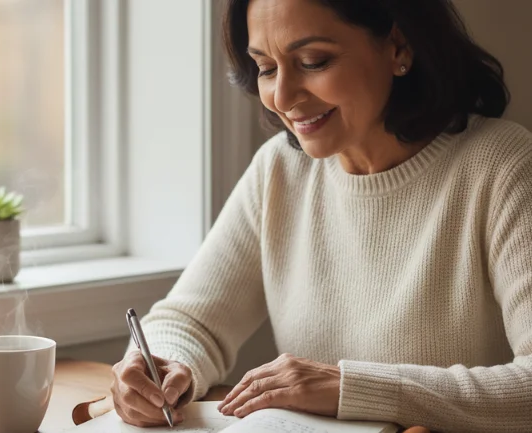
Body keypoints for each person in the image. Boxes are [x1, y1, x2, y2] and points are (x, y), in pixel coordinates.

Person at [111, 0, 532, 431]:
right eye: (267, 68)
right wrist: (160, 365)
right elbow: (191, 320)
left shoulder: (503, 166)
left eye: (313, 61)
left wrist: (352, 387)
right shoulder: (280, 169)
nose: (283, 97)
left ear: (399, 47)